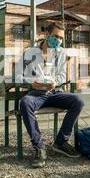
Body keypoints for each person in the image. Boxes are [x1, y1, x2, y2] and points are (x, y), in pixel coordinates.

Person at [16, 22, 84, 168]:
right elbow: (17, 76)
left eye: (60, 38)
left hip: (54, 93)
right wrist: (30, 83)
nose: (58, 40)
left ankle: (60, 142)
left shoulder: (61, 53)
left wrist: (55, 82)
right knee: (25, 102)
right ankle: (39, 147)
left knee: (77, 101)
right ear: (47, 34)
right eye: (56, 36)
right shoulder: (29, 53)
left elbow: (61, 75)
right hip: (35, 94)